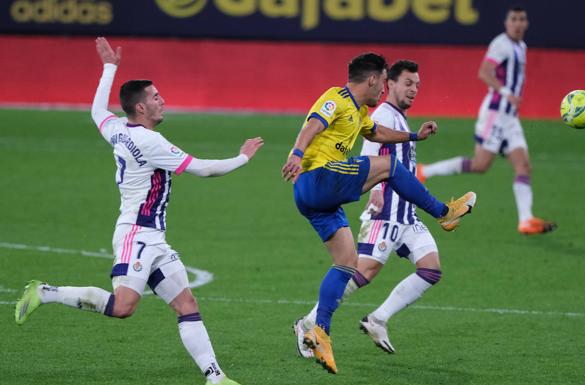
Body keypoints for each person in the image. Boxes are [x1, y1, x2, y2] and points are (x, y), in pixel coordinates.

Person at [14, 37, 263, 385]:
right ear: (141, 108)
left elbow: (97, 112)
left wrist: (109, 68)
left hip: (153, 238)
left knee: (186, 304)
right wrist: (243, 157)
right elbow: (204, 169)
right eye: (156, 97)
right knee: (123, 307)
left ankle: (216, 377)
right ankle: (46, 292)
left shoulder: (117, 128)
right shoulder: (150, 142)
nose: (163, 102)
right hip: (136, 235)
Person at [281, 52, 476, 374]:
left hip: (313, 198)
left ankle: (319, 333)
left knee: (346, 263)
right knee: (390, 167)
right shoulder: (337, 97)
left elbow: (376, 134)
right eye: (384, 83)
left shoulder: (359, 112)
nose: (384, 90)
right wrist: (297, 154)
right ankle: (444, 212)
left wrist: (416, 136)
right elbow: (314, 124)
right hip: (319, 177)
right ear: (372, 79)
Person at [418, 5, 556, 235]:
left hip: (510, 117)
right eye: (514, 19)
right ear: (507, 22)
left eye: (522, 19)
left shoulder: (520, 46)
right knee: (480, 165)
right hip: (495, 113)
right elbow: (484, 72)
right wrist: (505, 93)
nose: (518, 23)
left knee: (523, 166)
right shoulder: (501, 44)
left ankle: (526, 220)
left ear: (526, 23)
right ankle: (425, 171)